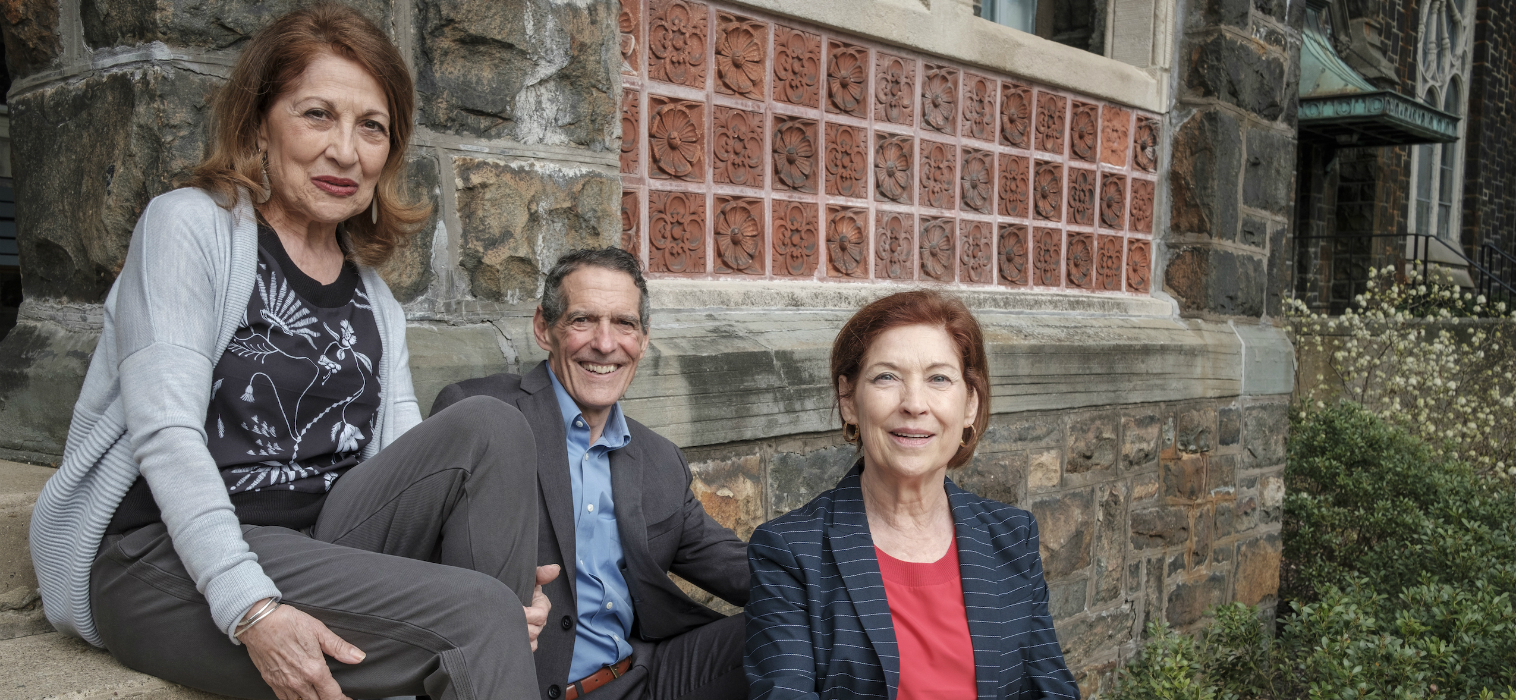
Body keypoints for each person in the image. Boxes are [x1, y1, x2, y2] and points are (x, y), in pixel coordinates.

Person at [29, 5, 554, 699]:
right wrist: (252, 607)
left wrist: (508, 599)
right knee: (480, 618)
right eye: (317, 115)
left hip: (322, 548)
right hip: (165, 558)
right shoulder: (189, 227)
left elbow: (405, 469)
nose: (346, 151)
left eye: (372, 127)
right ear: (258, 124)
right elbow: (165, 434)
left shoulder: (376, 301)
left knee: (493, 426)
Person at [430, 247, 749, 700]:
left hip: (641, 678)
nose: (605, 343)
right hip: (524, 687)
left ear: (643, 339)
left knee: (808, 622)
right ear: (544, 328)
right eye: (582, 320)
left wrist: (843, 569)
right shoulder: (479, 415)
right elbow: (406, 562)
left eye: (624, 323)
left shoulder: (659, 458)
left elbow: (738, 567)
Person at [744, 290, 1080, 699]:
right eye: (887, 377)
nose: (915, 404)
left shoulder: (1012, 535)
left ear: (970, 405)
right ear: (848, 400)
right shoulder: (790, 552)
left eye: (939, 378)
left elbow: (1053, 689)